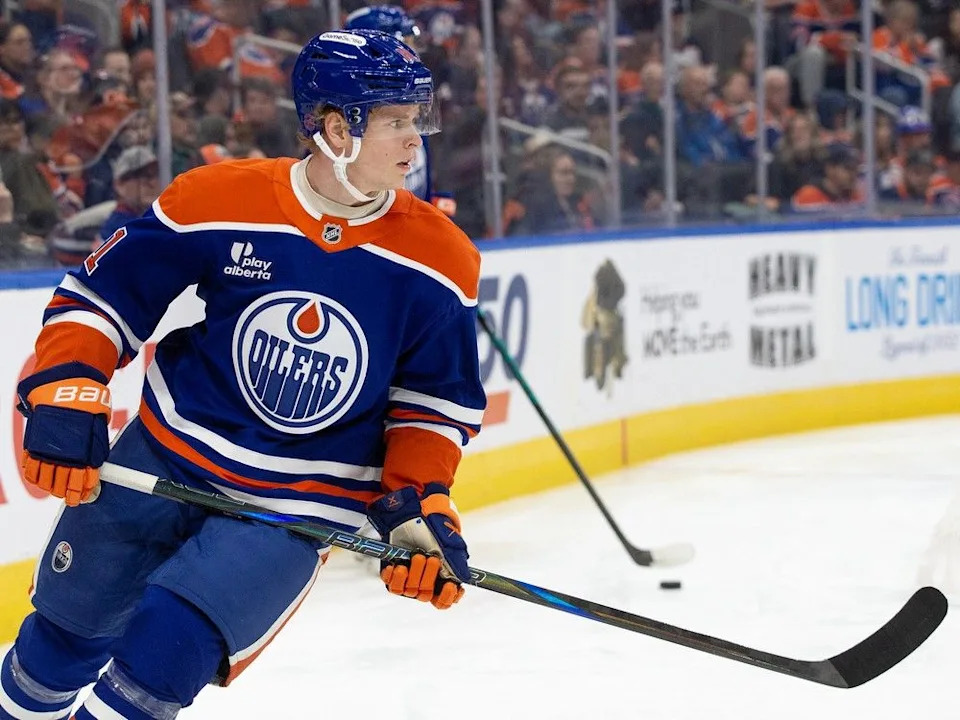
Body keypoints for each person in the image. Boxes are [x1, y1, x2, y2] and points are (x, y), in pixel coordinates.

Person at [0, 28, 485, 720]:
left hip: (295, 507)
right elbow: (101, 298)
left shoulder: (442, 260)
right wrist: (69, 390)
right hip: (161, 460)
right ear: (333, 129)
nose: (416, 143)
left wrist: (416, 507)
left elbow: (430, 406)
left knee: (150, 675)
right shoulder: (219, 198)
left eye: (417, 121)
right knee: (53, 652)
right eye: (396, 123)